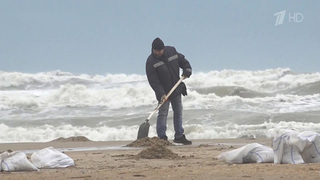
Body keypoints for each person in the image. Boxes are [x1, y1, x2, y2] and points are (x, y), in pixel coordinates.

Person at [145, 37, 192, 145]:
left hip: (175, 88)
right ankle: (162, 138)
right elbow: (154, 81)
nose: (158, 53)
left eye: (160, 51)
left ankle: (179, 136)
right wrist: (162, 94)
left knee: (178, 112)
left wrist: (187, 70)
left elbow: (183, 61)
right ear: (152, 50)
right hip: (163, 92)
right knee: (163, 113)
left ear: (163, 49)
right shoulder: (151, 61)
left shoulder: (172, 51)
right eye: (155, 51)